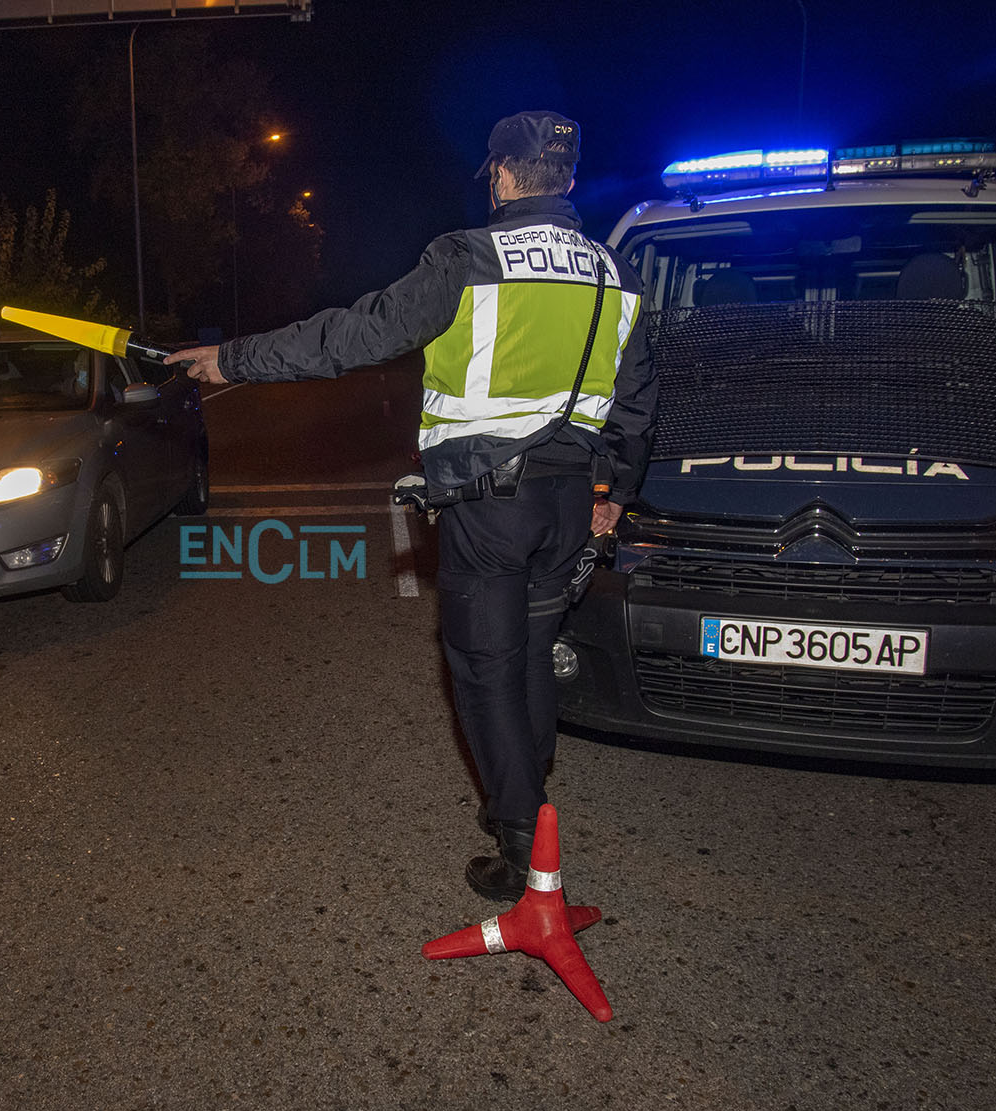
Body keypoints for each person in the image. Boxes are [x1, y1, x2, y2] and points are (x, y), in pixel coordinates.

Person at [168, 111, 656, 901]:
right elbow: (638, 399)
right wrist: (616, 493)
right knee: (531, 663)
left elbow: (354, 336)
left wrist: (233, 360)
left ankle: (526, 852)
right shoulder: (614, 272)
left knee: (485, 673)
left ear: (500, 176)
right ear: (567, 182)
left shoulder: (466, 256)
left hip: (491, 506)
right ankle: (520, 803)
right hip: (569, 506)